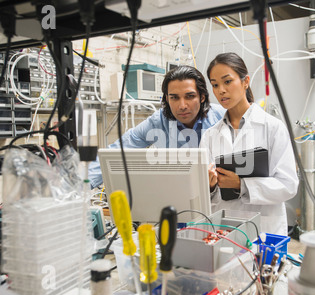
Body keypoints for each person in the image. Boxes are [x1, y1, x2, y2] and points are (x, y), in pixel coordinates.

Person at [199, 52, 299, 236]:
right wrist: (210, 185)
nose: (220, 90)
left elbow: (288, 185)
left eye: (227, 81)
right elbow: (204, 194)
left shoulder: (273, 128)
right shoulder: (210, 135)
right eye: (215, 84)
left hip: (264, 230)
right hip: (223, 229)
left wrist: (241, 184)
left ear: (245, 82)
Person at [88, 65, 226, 189]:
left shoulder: (222, 116)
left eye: (189, 96)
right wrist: (80, 187)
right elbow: (117, 152)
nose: (182, 105)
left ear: (202, 97)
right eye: (174, 98)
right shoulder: (159, 121)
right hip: (178, 194)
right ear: (166, 98)